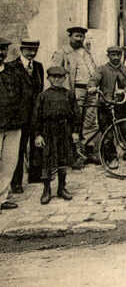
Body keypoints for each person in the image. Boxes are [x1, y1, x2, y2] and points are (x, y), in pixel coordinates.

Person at [51, 26, 98, 169]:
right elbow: (55, 73)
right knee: (75, 121)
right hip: (75, 91)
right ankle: (75, 155)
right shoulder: (62, 52)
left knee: (90, 120)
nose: (79, 39)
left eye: (82, 37)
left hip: (90, 90)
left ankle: (88, 151)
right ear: (70, 37)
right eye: (77, 36)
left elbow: (94, 70)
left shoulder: (86, 52)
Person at [33, 66, 80, 205]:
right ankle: (46, 190)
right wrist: (38, 135)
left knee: (63, 159)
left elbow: (76, 114)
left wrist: (75, 131)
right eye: (53, 77)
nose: (57, 79)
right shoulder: (43, 96)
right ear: (48, 78)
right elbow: (36, 117)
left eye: (60, 77)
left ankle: (61, 188)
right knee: (47, 160)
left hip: (64, 130)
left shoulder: (69, 94)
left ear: (64, 78)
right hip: (48, 131)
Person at [88, 46, 126, 168]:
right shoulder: (102, 69)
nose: (116, 57)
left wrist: (124, 90)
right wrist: (92, 87)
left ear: (121, 56)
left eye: (118, 55)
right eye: (113, 55)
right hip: (105, 105)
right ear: (108, 56)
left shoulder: (125, 70)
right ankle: (111, 158)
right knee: (108, 135)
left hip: (122, 106)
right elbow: (94, 80)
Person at [10, 39, 45, 192]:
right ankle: (16, 182)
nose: (32, 53)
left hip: (35, 113)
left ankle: (35, 175)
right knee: (18, 148)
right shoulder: (12, 67)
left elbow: (40, 89)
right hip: (19, 115)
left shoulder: (38, 67)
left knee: (36, 144)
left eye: (34, 50)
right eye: (29, 50)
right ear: (21, 49)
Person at [0, 37, 24, 213]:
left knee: (9, 162)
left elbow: (22, 95)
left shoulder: (12, 72)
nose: (1, 53)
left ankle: (2, 197)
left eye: (3, 50)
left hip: (13, 124)